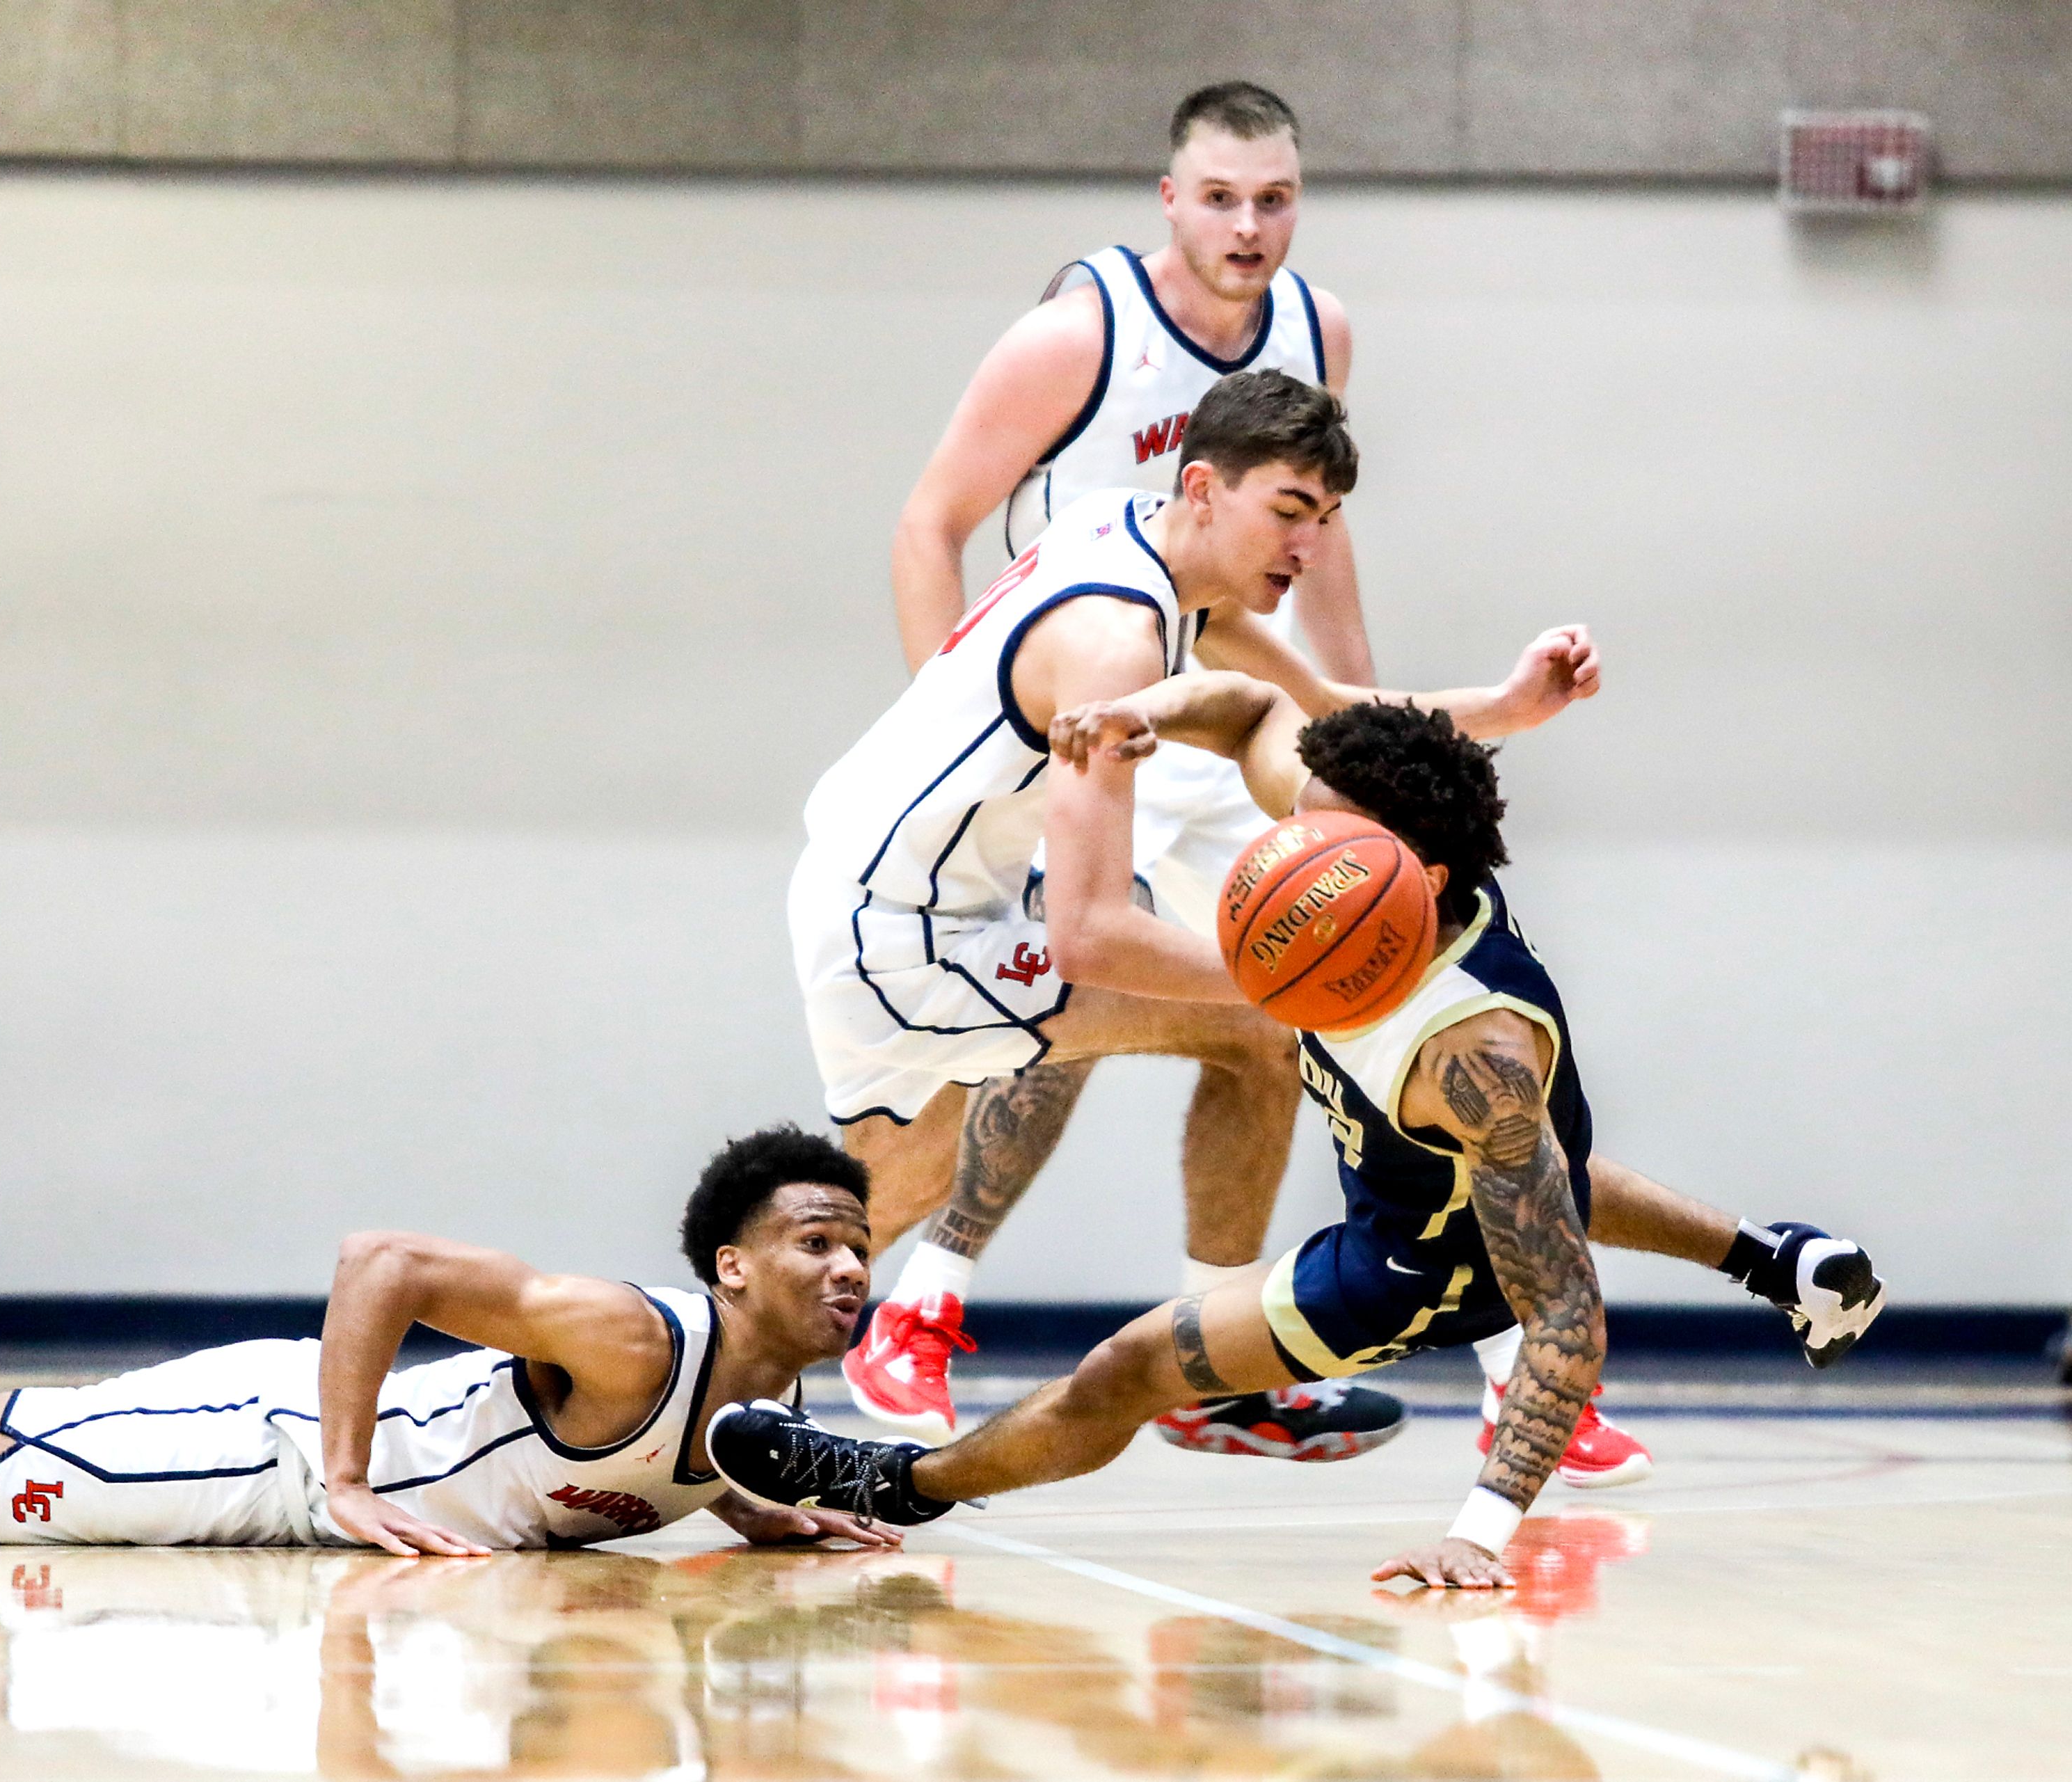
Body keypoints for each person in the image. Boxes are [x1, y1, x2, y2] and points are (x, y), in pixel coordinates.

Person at [730, 687, 1886, 1586]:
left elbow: (1565, 1312)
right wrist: (1147, 711)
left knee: (1131, 1366)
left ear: (1415, 878)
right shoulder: (1359, 851)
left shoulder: (1469, 1054)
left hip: (1411, 1268)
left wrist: (1481, 1533)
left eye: (1316, 835)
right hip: (1471, 1157)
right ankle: (1774, 1258)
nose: (1284, 848)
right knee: (1528, 1173)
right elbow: (1247, 707)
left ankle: (900, 1482)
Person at [793, 365, 1595, 1460]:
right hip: (905, 927)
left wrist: (1502, 707)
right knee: (1263, 1031)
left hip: (887, 887)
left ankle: (685, 1395)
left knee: (870, 1203)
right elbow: (1090, 938)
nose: (1308, 546)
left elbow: (1315, 717)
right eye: (1290, 510)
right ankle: (1215, 1374)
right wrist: (1308, 973)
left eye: (1325, 517)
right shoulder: (1115, 639)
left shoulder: (1133, 534)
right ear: (1207, 487)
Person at [861, 79, 1419, 1468]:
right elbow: (930, 524)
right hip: (1093, 708)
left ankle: (1222, 1351)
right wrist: (957, 743)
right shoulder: (1080, 331)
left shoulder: (1319, 328)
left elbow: (1323, 528)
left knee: (1298, 1012)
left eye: (1275, 198)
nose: (1249, 225)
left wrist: (1349, 731)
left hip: (1230, 715)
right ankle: (914, 1309)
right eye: (1220, 197)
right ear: (1170, 199)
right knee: (1046, 1015)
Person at [0, 1127, 905, 1555]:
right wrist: (344, 1477)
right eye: (814, 1240)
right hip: (257, 1457)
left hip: (254, 1441)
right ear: (730, 1263)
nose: (847, 1265)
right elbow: (378, 1258)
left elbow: (662, 1464)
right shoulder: (635, 1336)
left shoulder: (740, 1408)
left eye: (860, 1243)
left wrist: (758, 1512)